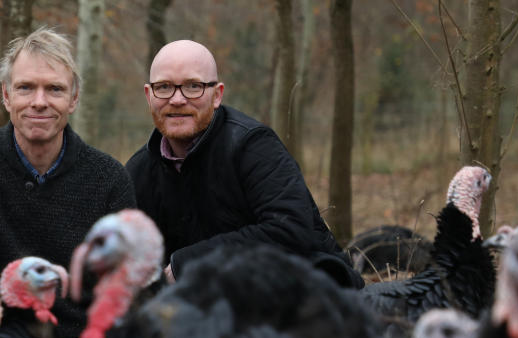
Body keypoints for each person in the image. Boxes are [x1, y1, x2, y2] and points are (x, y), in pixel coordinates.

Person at [0, 26, 137, 338]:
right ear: (7, 95)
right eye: (26, 88)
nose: (39, 102)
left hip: (77, 336)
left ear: (74, 98)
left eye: (54, 89)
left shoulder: (108, 176)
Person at [126, 40, 363, 289]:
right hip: (211, 309)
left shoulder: (253, 146)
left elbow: (290, 232)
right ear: (148, 95)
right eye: (163, 87)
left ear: (217, 95)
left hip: (311, 295)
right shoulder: (138, 171)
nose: (176, 99)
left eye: (193, 86)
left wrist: (184, 265)